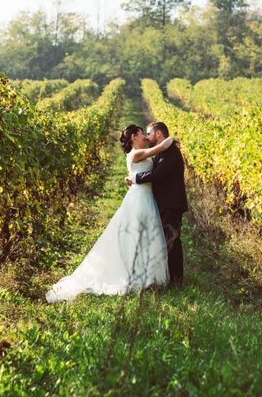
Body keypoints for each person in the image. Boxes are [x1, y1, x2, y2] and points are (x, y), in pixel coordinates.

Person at [45, 124, 172, 303]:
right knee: (135, 235)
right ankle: (137, 274)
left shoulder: (138, 153)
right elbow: (161, 147)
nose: (144, 137)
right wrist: (170, 139)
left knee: (146, 234)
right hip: (138, 199)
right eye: (142, 134)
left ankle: (148, 275)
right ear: (134, 137)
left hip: (145, 196)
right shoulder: (135, 154)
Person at [126, 122, 188, 287]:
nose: (147, 137)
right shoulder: (162, 151)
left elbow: (158, 174)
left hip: (172, 203)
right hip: (163, 203)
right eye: (144, 134)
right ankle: (168, 279)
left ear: (159, 134)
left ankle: (176, 281)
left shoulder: (171, 151)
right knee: (167, 240)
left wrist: (136, 178)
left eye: (149, 133)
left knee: (172, 241)